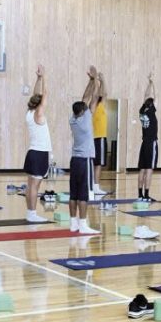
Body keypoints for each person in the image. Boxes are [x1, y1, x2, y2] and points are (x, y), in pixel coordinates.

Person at [68, 66, 99, 235]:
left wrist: (90, 81)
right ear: (84, 112)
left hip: (75, 160)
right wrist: (96, 81)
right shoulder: (87, 119)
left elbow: (84, 98)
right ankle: (83, 225)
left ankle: (73, 223)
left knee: (73, 194)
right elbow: (93, 98)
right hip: (86, 160)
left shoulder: (73, 120)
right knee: (84, 195)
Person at [23, 65, 50, 223]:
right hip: (39, 153)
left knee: (30, 185)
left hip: (33, 152)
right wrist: (44, 77)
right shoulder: (38, 114)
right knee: (35, 186)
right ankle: (32, 214)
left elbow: (37, 95)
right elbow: (44, 94)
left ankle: (30, 213)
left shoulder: (29, 113)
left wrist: (38, 78)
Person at [138, 73, 158, 201]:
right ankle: (146, 195)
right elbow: (155, 97)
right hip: (151, 143)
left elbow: (145, 97)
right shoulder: (151, 111)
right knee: (149, 170)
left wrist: (149, 84)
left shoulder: (142, 112)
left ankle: (140, 195)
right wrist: (153, 83)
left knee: (142, 170)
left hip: (144, 143)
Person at [92, 70, 108, 197]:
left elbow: (105, 94)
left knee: (97, 164)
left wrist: (101, 80)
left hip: (98, 137)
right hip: (98, 137)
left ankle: (94, 185)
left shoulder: (101, 104)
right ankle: (95, 186)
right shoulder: (94, 105)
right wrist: (99, 81)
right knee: (98, 164)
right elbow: (99, 93)